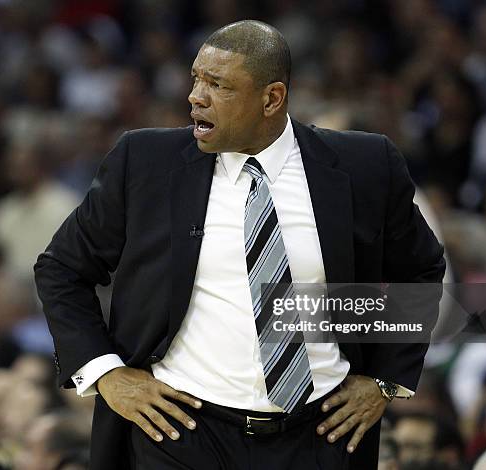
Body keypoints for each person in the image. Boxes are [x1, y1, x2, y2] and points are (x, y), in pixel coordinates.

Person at [35, 20, 445, 469]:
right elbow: (62, 268)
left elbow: (420, 270)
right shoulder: (145, 162)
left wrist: (384, 378)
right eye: (196, 78)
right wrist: (106, 372)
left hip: (320, 431)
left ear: (271, 98)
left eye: (218, 84)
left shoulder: (364, 164)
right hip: (180, 430)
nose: (196, 96)